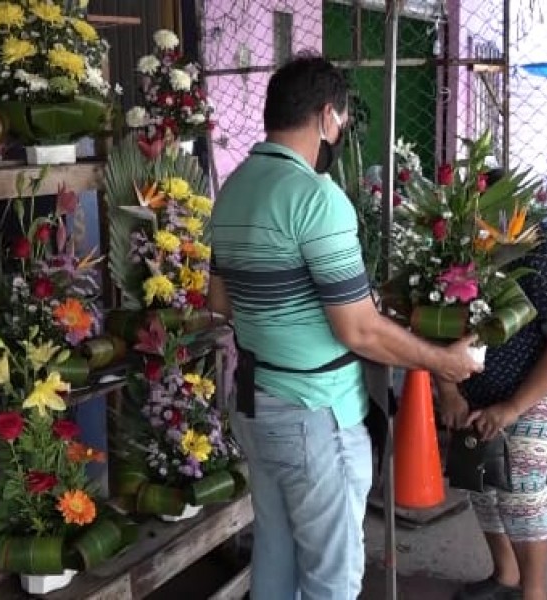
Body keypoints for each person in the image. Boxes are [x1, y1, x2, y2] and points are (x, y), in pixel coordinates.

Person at [207, 54, 483, 600]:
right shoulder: (316, 198)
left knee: (276, 559)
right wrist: (444, 361)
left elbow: (221, 301)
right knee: (332, 577)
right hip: (314, 412)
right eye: (343, 122)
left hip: (254, 400)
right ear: (327, 117)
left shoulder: (234, 187)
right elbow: (359, 331)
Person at [438, 169, 547, 600]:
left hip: (542, 382)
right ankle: (504, 576)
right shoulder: (456, 245)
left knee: (520, 483)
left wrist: (513, 408)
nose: (474, 232)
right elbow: (432, 324)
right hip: (476, 381)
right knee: (480, 477)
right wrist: (447, 391)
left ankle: (534, 593)